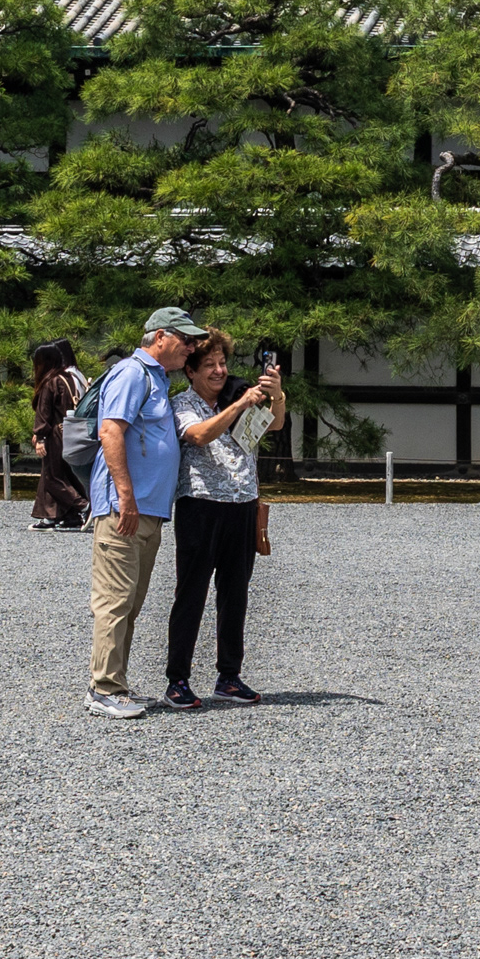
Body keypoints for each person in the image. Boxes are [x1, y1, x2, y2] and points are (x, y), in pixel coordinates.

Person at [84, 306, 203, 719]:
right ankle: (104, 688)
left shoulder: (155, 379)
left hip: (147, 509)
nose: (191, 347)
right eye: (185, 339)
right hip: (126, 508)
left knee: (130, 602)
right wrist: (125, 495)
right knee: (115, 601)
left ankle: (115, 683)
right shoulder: (133, 373)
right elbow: (111, 429)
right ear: (160, 337)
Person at [164, 333, 283, 707]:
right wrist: (240, 404)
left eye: (222, 363)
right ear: (190, 371)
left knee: (236, 594)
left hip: (243, 504)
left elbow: (274, 425)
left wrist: (276, 394)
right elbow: (199, 435)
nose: (219, 371)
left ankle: (229, 676)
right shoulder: (182, 404)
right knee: (192, 592)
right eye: (210, 365)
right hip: (200, 505)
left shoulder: (238, 394)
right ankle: (177, 680)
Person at [26, 338, 88, 530]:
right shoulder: (71, 378)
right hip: (71, 431)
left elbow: (44, 412)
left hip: (55, 435)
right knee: (66, 475)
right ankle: (59, 516)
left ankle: (84, 506)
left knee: (53, 477)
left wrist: (40, 437)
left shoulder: (50, 382)